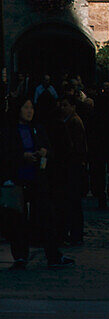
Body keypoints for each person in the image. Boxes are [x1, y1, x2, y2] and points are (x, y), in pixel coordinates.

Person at [0, 97, 73, 269]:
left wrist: (44, 152)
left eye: (31, 108)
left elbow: (50, 151)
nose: (29, 111)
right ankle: (20, 256)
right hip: (18, 179)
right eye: (26, 107)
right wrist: (22, 156)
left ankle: (53, 255)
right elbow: (5, 154)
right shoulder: (10, 130)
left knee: (46, 217)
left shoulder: (38, 129)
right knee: (18, 220)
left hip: (37, 179)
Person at [52, 94, 88, 246]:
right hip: (71, 166)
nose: (62, 108)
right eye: (61, 105)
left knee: (72, 201)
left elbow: (75, 147)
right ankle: (73, 233)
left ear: (73, 106)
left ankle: (74, 234)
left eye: (65, 105)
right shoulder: (69, 121)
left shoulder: (74, 122)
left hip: (72, 167)